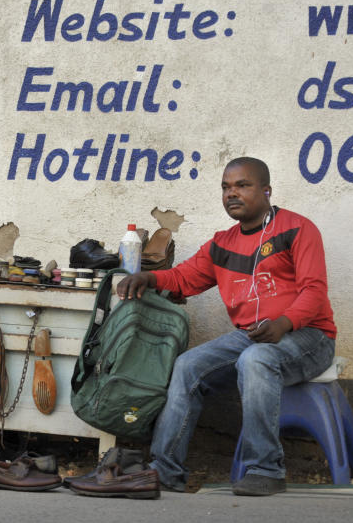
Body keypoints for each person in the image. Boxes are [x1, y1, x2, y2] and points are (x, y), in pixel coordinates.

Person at [116, 157, 337, 497]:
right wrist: (148, 276)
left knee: (257, 360)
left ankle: (266, 468)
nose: (232, 193)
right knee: (188, 365)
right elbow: (182, 278)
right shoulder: (223, 243)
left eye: (242, 185)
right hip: (252, 336)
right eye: (225, 187)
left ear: (266, 191)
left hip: (308, 337)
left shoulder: (297, 229)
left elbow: (314, 292)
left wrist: (283, 323)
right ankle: (165, 470)